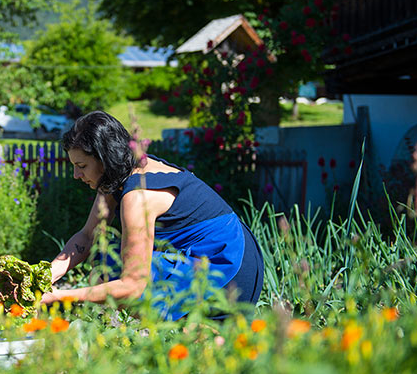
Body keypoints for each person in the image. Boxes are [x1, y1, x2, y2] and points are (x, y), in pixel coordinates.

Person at [41, 111, 263, 320]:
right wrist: (44, 276)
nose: (76, 175)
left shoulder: (137, 196)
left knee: (112, 273)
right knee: (107, 260)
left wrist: (60, 298)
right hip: (215, 254)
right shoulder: (118, 175)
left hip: (229, 266)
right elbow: (89, 236)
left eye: (81, 166)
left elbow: (133, 285)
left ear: (104, 159)